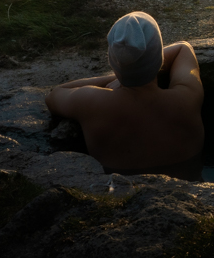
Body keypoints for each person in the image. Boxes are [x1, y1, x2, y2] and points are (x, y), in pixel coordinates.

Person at [45, 11, 203, 174]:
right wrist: (142, 66)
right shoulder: (187, 96)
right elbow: (183, 48)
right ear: (159, 58)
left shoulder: (92, 103)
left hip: (118, 187)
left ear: (113, 62)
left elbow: (54, 95)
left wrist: (119, 76)